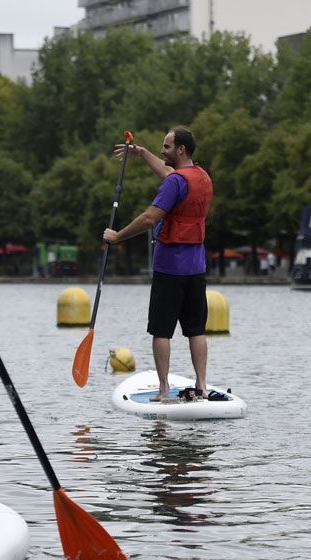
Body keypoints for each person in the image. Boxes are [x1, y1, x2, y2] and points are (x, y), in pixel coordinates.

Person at [102, 128, 215, 403]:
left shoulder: (174, 183)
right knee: (196, 329)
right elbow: (168, 172)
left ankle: (164, 390)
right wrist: (141, 153)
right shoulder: (202, 176)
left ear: (181, 150)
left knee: (161, 331)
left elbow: (149, 218)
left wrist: (117, 236)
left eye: (166, 147)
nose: (162, 151)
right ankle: (201, 386)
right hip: (196, 268)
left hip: (169, 267)